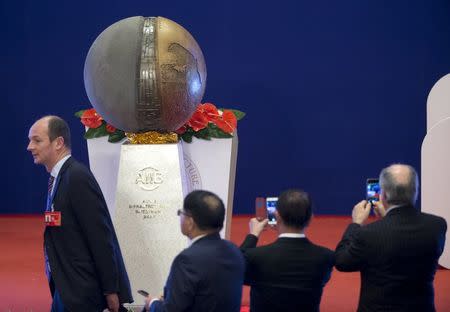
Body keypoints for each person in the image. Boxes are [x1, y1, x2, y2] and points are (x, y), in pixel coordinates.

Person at [27, 116, 133, 311]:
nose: (30, 147)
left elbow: (101, 237)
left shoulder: (76, 177)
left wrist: (111, 289)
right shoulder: (59, 177)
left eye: (37, 140)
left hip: (81, 292)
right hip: (67, 287)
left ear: (58, 143)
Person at [335, 164, 447, 312]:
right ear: (415, 192)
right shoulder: (437, 226)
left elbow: (341, 262)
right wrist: (387, 218)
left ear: (384, 195)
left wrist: (355, 224)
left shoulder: (368, 234)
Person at [144, 190, 244, 312]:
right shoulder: (234, 251)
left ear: (190, 222)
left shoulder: (187, 259)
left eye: (181, 213)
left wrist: (153, 303)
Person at [240, 189, 334, 312]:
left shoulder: (256, 256)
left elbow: (234, 270)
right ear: (310, 218)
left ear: (277, 215)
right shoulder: (326, 257)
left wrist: (253, 234)